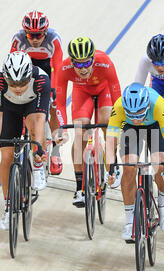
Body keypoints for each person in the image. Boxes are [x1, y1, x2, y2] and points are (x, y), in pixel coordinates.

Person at [0, 51, 51, 230]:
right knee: (6, 157)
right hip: (10, 110)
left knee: (34, 128)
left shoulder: (41, 80)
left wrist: (38, 149)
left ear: (29, 75)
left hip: (32, 108)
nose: (18, 88)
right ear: (5, 77)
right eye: (12, 83)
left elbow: (39, 119)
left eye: (22, 82)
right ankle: (8, 206)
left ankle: (37, 167)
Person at [55, 36, 121, 207]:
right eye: (78, 64)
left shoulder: (105, 62)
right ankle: (79, 188)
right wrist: (61, 128)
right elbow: (60, 103)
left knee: (107, 120)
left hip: (104, 91)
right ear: (72, 62)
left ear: (93, 58)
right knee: (80, 132)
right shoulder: (64, 68)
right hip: (81, 93)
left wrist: (118, 123)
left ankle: (113, 164)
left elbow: (117, 97)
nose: (83, 68)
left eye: (86, 63)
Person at [105, 82, 164, 240]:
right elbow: (110, 142)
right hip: (130, 130)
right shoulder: (119, 107)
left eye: (139, 114)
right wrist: (111, 170)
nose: (136, 118)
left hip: (154, 126)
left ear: (146, 106)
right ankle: (130, 221)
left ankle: (163, 203)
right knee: (129, 168)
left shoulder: (157, 104)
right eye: (132, 114)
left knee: (159, 166)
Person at [10, 10, 64, 175]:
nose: (34, 39)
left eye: (38, 35)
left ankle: (55, 152)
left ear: (45, 32)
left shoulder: (53, 39)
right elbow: (12, 64)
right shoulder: (18, 40)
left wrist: (53, 91)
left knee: (54, 108)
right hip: (26, 70)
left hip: (49, 70)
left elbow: (58, 67)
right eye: (30, 35)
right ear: (24, 32)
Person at [134, 34, 164, 114]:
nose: (160, 67)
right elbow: (136, 88)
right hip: (159, 84)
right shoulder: (145, 61)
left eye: (163, 62)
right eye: (156, 63)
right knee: (154, 110)